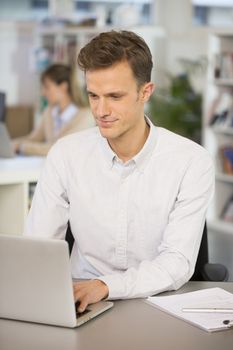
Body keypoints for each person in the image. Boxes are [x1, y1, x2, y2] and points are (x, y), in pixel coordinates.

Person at [24, 31, 214, 313]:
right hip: (78, 301)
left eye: (114, 96)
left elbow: (176, 262)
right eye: (93, 95)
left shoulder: (190, 161)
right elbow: (37, 248)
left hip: (156, 304)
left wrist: (106, 285)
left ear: (145, 92)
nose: (101, 110)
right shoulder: (66, 155)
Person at [12, 64, 95, 156]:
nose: (43, 93)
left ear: (63, 87)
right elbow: (33, 138)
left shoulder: (86, 116)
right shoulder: (49, 112)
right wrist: (10, 144)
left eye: (47, 87)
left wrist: (21, 147)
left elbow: (60, 149)